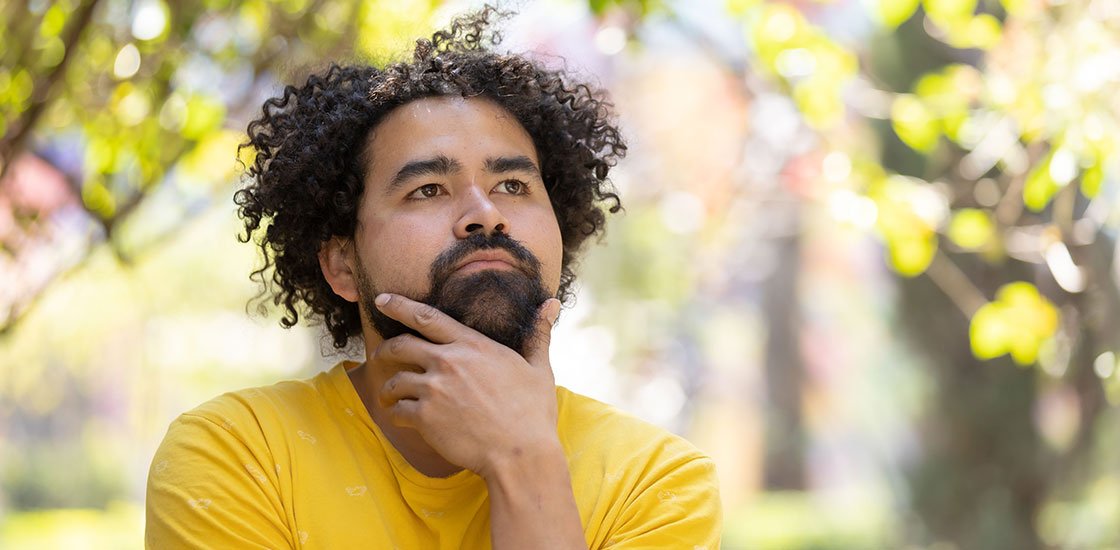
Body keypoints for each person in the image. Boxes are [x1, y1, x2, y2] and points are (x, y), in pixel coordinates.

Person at [145, 7, 721, 549]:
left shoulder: (658, 483)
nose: (485, 213)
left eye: (513, 186)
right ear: (342, 264)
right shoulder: (237, 454)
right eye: (427, 189)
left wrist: (522, 459)